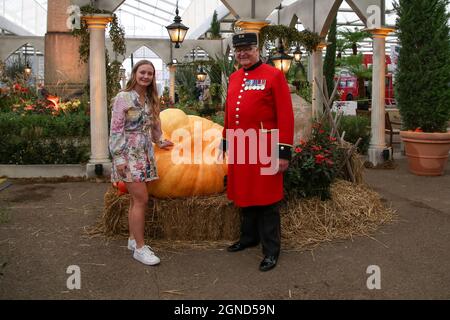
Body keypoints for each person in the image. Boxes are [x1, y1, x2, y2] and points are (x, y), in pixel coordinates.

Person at [221, 32, 294, 272]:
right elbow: (230, 111)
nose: (243, 53)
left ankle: (271, 250)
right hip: (241, 146)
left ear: (257, 49)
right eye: (239, 49)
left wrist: (283, 152)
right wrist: (226, 140)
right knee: (245, 194)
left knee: (268, 200)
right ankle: (248, 238)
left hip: (265, 147)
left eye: (248, 48)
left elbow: (285, 114)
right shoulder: (233, 77)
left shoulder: (274, 76)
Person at [109, 60, 173, 266]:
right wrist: (118, 158)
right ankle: (140, 248)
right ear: (134, 73)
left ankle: (131, 239)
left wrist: (161, 141)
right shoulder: (123, 98)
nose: (146, 76)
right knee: (141, 199)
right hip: (128, 155)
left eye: (150, 74)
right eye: (142, 72)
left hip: (145, 155)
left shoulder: (152, 99)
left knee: (135, 200)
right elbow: (116, 130)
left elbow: (155, 128)